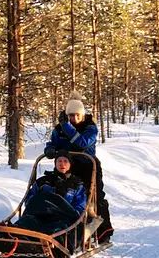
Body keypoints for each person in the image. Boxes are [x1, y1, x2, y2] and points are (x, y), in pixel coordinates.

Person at [44, 97, 113, 244]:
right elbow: (53, 142)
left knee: (93, 198)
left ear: (82, 114)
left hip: (87, 166)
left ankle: (102, 232)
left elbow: (83, 143)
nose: (74, 118)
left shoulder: (90, 127)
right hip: (66, 166)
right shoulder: (60, 128)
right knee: (62, 196)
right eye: (71, 115)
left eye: (77, 115)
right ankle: (59, 229)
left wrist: (66, 126)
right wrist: (49, 149)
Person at [17, 154, 89, 246]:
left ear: (70, 164)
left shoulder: (77, 185)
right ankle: (15, 239)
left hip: (63, 218)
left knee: (57, 228)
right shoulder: (42, 181)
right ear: (55, 163)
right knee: (25, 221)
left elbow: (80, 207)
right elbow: (30, 200)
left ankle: (48, 243)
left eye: (65, 161)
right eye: (59, 161)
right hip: (40, 215)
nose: (62, 164)